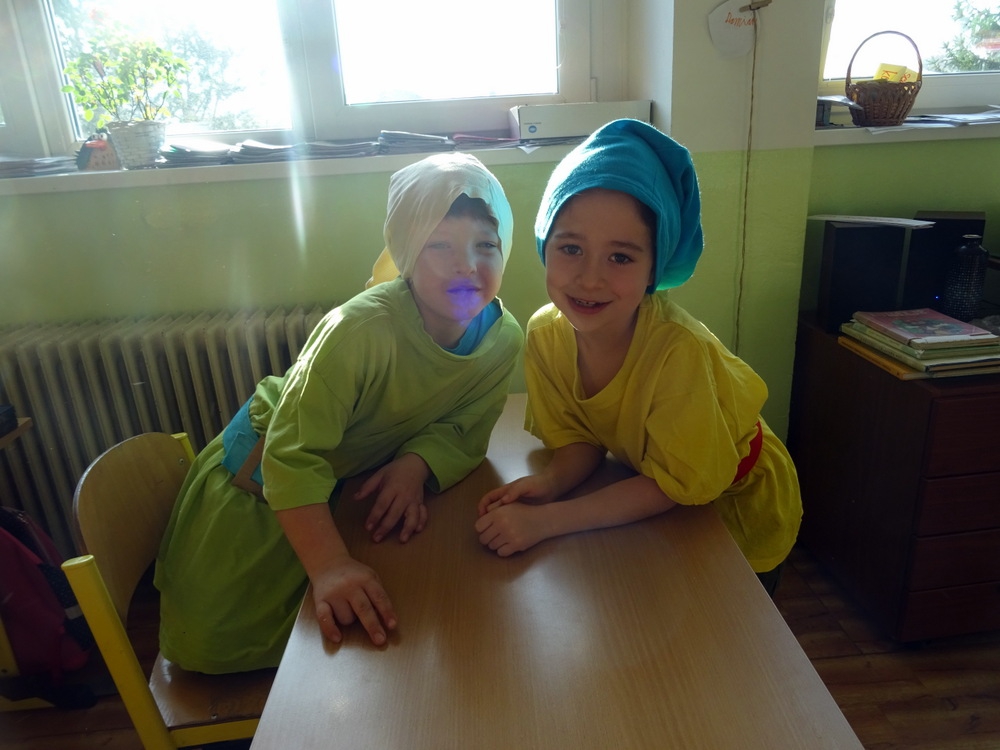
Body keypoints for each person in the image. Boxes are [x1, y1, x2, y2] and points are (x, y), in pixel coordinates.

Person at [155, 152, 524, 673]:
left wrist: (416, 464)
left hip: (341, 485)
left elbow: (465, 424)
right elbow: (290, 454)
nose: (466, 265)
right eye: (439, 245)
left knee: (355, 638)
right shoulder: (358, 331)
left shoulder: (503, 339)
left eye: (486, 245)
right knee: (222, 649)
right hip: (259, 487)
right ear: (406, 252)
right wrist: (328, 563)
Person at [474, 119, 802, 595]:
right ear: (545, 246)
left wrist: (548, 521)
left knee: (729, 623)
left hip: (735, 503)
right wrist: (551, 484)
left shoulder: (677, 353)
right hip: (656, 488)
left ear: (654, 270)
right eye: (571, 248)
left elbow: (672, 485)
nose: (590, 279)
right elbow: (581, 438)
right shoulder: (546, 335)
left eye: (621, 258)